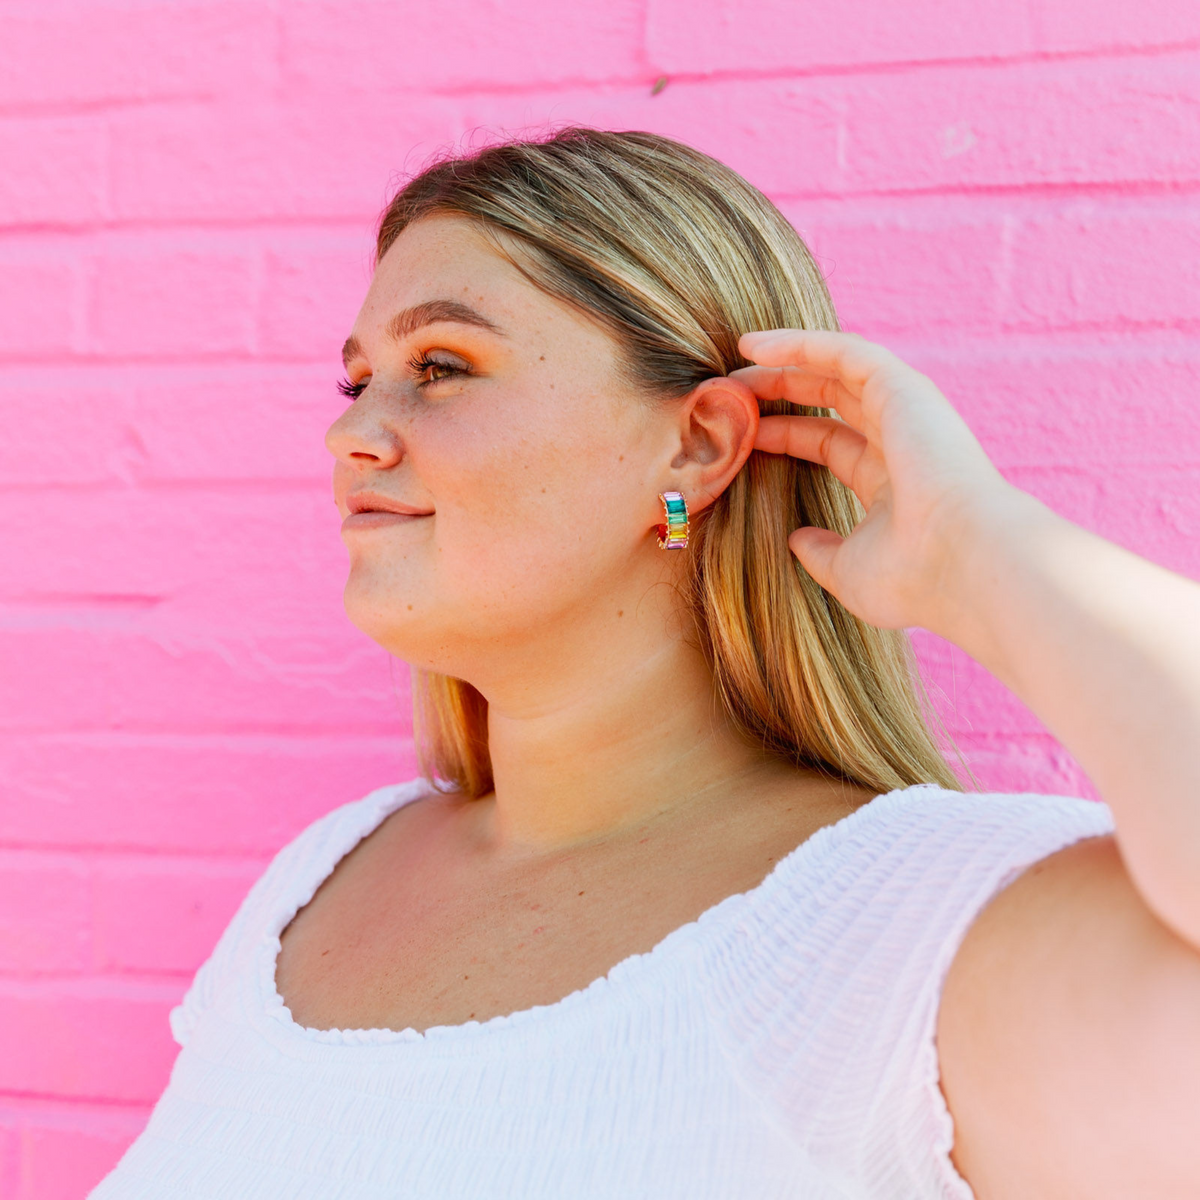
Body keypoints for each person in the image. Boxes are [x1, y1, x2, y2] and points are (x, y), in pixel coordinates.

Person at [91, 128, 1200, 1199]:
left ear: (698, 444)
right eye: (356, 382)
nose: (354, 435)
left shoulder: (908, 930)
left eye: (440, 365)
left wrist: (976, 548)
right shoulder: (317, 882)